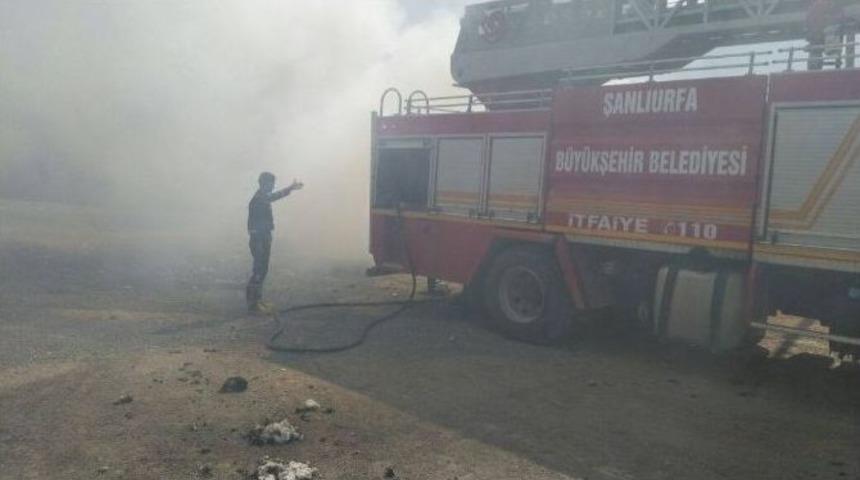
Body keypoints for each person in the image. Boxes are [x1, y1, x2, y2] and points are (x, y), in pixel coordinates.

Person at [246, 172, 304, 314]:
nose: (272, 186)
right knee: (259, 270)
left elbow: (273, 197)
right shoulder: (258, 199)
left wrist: (290, 188)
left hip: (264, 237)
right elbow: (253, 226)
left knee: (263, 269)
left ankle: (258, 300)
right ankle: (253, 305)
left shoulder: (262, 197)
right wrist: (290, 188)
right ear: (264, 184)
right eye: (271, 184)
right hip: (259, 239)